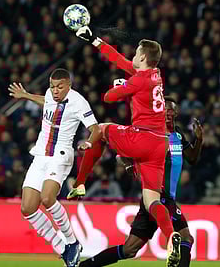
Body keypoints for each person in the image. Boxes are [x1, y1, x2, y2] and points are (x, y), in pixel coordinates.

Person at [68, 26, 181, 267]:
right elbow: (119, 60)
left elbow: (108, 97)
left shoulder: (139, 80)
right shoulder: (155, 75)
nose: (132, 55)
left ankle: (79, 183)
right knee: (152, 201)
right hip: (160, 145)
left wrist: (120, 86)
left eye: (136, 52)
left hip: (142, 138)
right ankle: (171, 236)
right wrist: (95, 41)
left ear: (142, 56)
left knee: (102, 128)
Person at [78, 97, 204, 267]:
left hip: (156, 200)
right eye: (164, 109)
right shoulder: (151, 133)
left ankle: (86, 266)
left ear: (176, 112)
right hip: (159, 195)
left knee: (129, 249)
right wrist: (129, 165)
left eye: (171, 109)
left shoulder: (178, 135)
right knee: (186, 238)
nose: (168, 112)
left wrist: (199, 140)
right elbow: (123, 153)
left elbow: (193, 158)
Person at [8, 68, 101, 267]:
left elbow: (96, 128)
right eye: (52, 86)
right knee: (27, 208)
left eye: (60, 87)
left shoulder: (79, 102)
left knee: (47, 198)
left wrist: (89, 143)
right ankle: (62, 248)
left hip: (61, 155)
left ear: (69, 85)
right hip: (41, 154)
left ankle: (73, 242)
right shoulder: (50, 94)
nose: (55, 90)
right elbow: (46, 100)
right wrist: (25, 95)